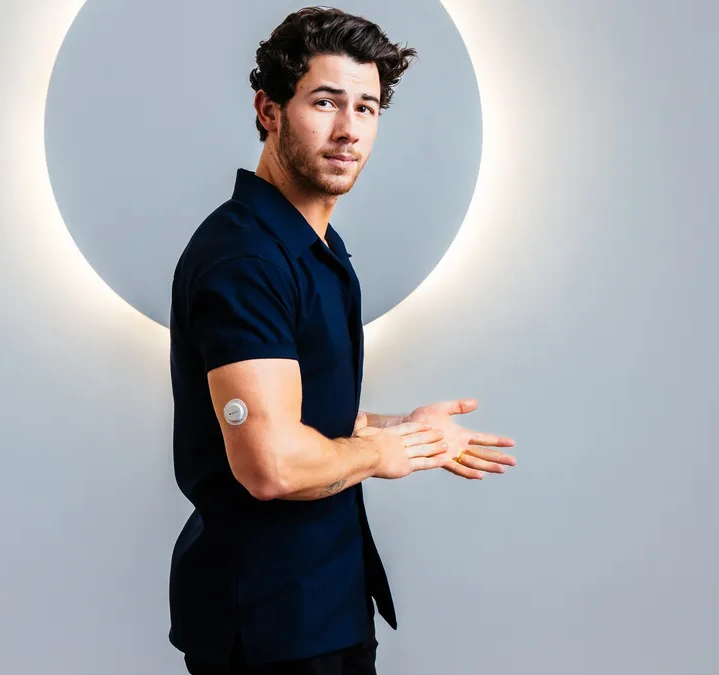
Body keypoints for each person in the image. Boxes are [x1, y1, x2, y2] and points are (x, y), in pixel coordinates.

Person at [167, 7, 517, 674]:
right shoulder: (247, 260)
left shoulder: (313, 247)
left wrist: (406, 433)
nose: (348, 129)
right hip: (271, 626)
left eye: (367, 107)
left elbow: (301, 415)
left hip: (325, 607)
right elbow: (268, 462)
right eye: (325, 102)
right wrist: (383, 452)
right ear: (268, 110)